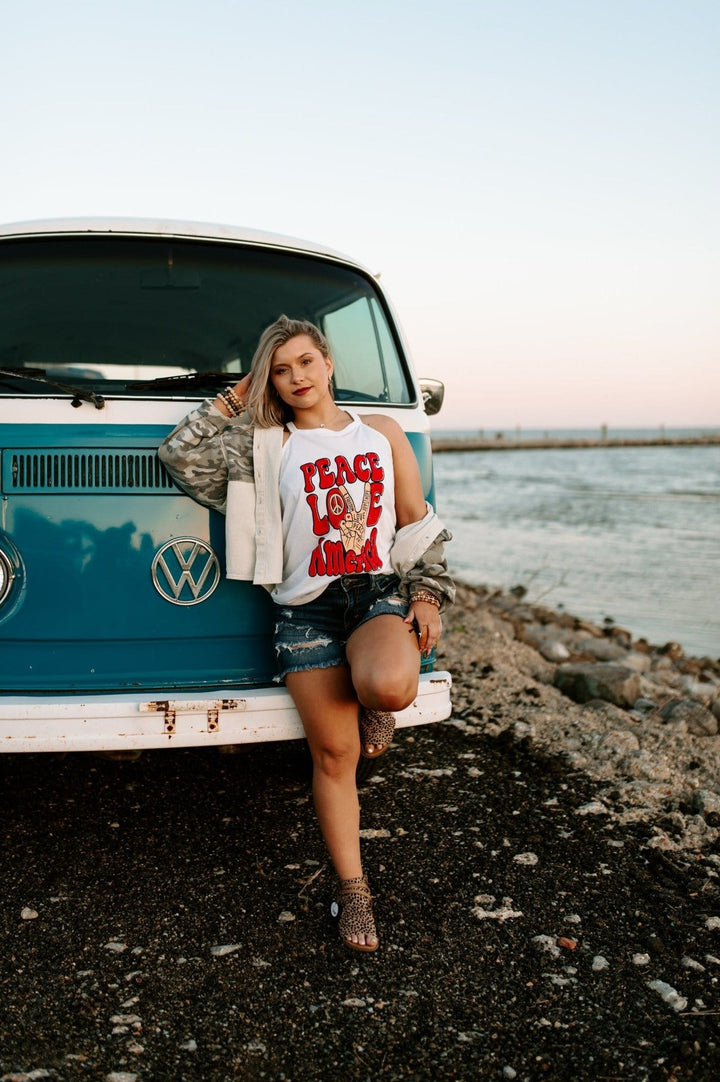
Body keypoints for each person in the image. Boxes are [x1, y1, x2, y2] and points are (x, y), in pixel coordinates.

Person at [159, 315, 453, 953]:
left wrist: (427, 594)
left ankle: (371, 701)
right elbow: (178, 454)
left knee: (391, 687)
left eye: (304, 362)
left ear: (328, 363)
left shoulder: (381, 434)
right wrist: (237, 397)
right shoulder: (264, 446)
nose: (295, 378)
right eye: (280, 369)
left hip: (372, 592)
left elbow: (414, 524)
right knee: (334, 756)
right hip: (303, 611)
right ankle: (353, 889)